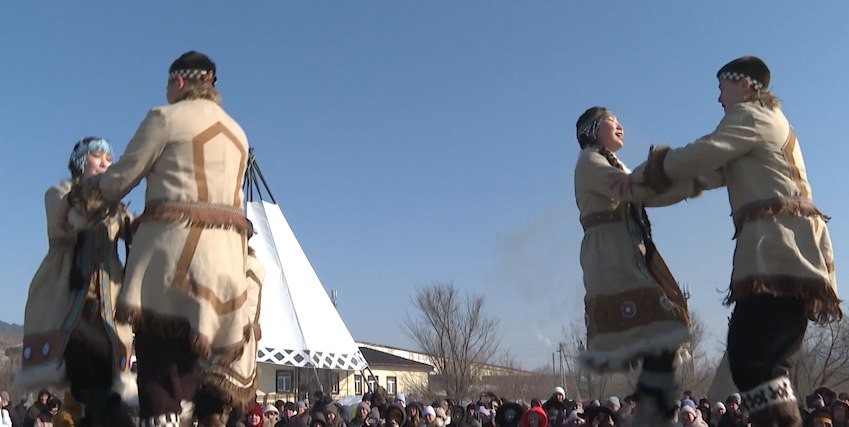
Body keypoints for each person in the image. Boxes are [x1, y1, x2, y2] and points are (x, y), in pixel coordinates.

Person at [634, 55, 841, 426]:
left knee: (750, 356)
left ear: (744, 84)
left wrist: (651, 170)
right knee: (762, 362)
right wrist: (640, 196)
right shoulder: (755, 129)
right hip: (790, 254)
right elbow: (698, 177)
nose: (718, 98)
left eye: (721, 87)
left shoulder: (752, 115)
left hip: (782, 253)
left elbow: (703, 154)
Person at [66, 51, 255, 426]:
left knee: (160, 370)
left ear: (179, 82)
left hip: (172, 266)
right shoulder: (238, 133)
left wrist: (84, 193)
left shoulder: (165, 119)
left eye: (169, 83)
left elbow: (120, 178)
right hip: (227, 271)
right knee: (196, 372)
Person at [573, 107, 698, 424]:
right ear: (593, 129)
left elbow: (642, 191)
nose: (620, 125)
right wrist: (669, 170)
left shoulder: (613, 165)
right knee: (660, 328)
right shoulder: (590, 161)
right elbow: (633, 187)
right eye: (613, 121)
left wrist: (690, 182)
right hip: (611, 255)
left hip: (629, 250)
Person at [16, 137, 135, 427]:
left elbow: (137, 233)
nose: (106, 164)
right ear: (82, 162)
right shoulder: (57, 193)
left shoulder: (115, 208)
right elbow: (71, 221)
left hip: (106, 310)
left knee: (101, 391)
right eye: (99, 158)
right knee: (90, 387)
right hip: (67, 301)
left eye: (110, 160)